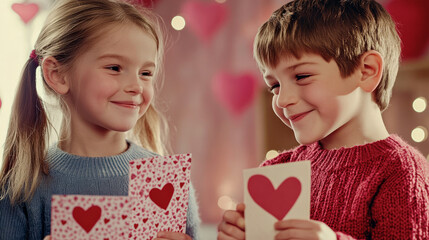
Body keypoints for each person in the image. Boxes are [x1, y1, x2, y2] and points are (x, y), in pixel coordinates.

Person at [218, 0, 429, 239]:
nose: (283, 99)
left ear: (366, 70)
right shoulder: (277, 170)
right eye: (274, 86)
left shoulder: (400, 172)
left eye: (302, 76)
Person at [0, 0, 200, 239]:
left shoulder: (163, 182)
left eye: (146, 73)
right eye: (114, 68)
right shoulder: (23, 186)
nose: (137, 86)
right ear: (57, 75)